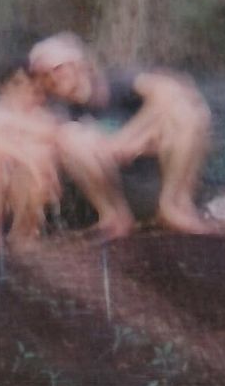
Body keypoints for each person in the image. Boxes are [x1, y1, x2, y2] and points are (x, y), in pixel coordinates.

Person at [28, 32, 211, 240]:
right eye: (43, 75)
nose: (52, 78)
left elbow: (170, 91)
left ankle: (174, 206)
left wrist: (128, 140)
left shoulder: (116, 83)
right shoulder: (57, 109)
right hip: (119, 185)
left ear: (78, 65)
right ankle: (114, 217)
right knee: (68, 137)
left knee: (185, 110)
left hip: (160, 173)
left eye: (57, 68)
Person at [0, 58, 64, 254]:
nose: (24, 89)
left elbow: (51, 133)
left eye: (30, 83)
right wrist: (28, 159)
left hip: (23, 200)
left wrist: (30, 160)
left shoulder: (41, 116)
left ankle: (22, 234)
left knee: (39, 154)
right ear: (1, 86)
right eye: (17, 83)